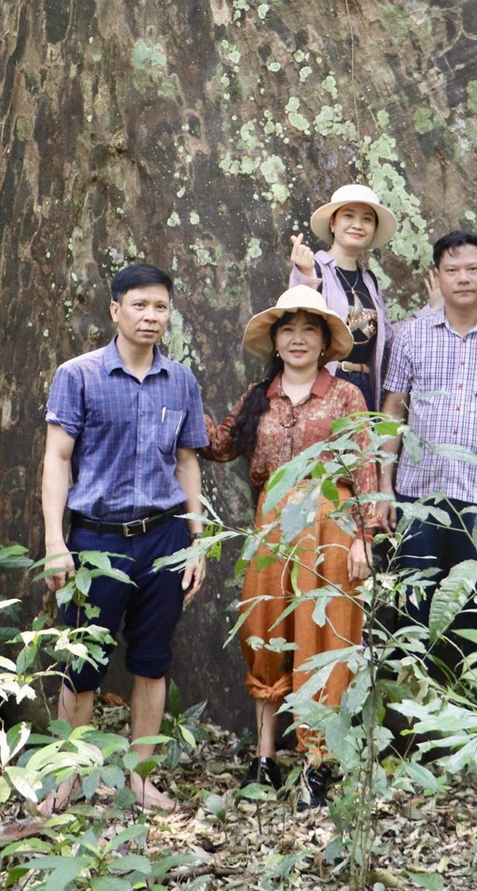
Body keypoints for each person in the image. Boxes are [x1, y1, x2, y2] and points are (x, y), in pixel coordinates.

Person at [38, 262, 207, 814]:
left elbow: (187, 461)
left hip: (164, 539)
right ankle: (65, 778)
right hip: (96, 540)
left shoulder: (181, 381)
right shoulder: (78, 375)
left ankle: (140, 779)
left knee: (153, 661)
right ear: (115, 309)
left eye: (160, 307)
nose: (150, 316)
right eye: (139, 305)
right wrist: (55, 541)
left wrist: (197, 540)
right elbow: (57, 459)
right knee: (81, 663)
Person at [202, 285, 376, 810]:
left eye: (309, 330)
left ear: (324, 342)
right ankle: (265, 757)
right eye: (288, 330)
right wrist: (177, 402)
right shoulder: (258, 396)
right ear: (275, 341)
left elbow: (366, 466)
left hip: (331, 525)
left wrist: (365, 539)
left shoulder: (345, 396)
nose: (298, 339)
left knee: (324, 636)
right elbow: (219, 445)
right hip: (272, 525)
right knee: (264, 631)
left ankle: (317, 764)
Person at [378, 231, 477, 664]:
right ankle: (411, 703)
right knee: (412, 608)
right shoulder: (411, 337)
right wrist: (384, 485)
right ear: (437, 276)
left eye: (472, 269)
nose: (463, 278)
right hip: (417, 495)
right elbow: (393, 410)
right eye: (452, 270)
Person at [288, 183, 398, 413]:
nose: (358, 225)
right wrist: (305, 274)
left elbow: (388, 336)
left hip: (364, 385)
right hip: (325, 383)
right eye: (348, 215)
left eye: (367, 219)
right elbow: (297, 318)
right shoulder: (315, 269)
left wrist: (432, 310)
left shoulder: (370, 280)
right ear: (333, 223)